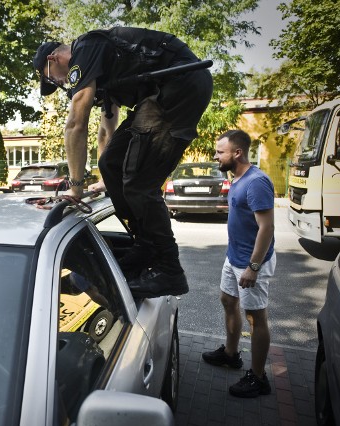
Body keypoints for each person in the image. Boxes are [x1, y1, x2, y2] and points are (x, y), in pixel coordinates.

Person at [33, 27, 213, 298]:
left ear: (53, 60)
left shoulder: (86, 48)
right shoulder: (104, 73)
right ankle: (144, 248)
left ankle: (169, 270)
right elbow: (107, 130)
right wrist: (106, 177)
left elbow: (75, 124)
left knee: (140, 184)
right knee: (111, 165)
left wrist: (76, 187)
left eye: (54, 81)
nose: (61, 86)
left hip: (181, 84)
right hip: (161, 94)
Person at [202, 129, 276, 398]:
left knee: (256, 318)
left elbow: (266, 228)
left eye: (220, 152)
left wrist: (253, 268)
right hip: (233, 257)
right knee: (227, 300)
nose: (215, 156)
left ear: (237, 153)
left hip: (252, 263)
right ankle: (231, 354)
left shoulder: (256, 182)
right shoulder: (237, 178)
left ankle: (258, 378)